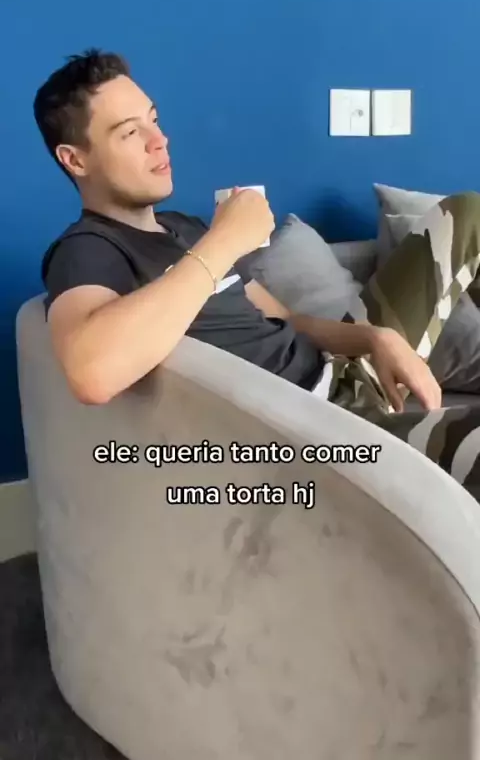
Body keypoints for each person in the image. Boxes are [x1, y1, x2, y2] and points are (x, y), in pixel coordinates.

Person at [34, 49, 480, 497]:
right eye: (131, 132)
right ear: (75, 160)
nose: (159, 140)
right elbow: (92, 373)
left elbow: (286, 318)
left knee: (468, 213)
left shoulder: (184, 227)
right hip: (324, 430)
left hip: (343, 374)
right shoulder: (89, 249)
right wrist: (225, 241)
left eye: (154, 120)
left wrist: (372, 338)